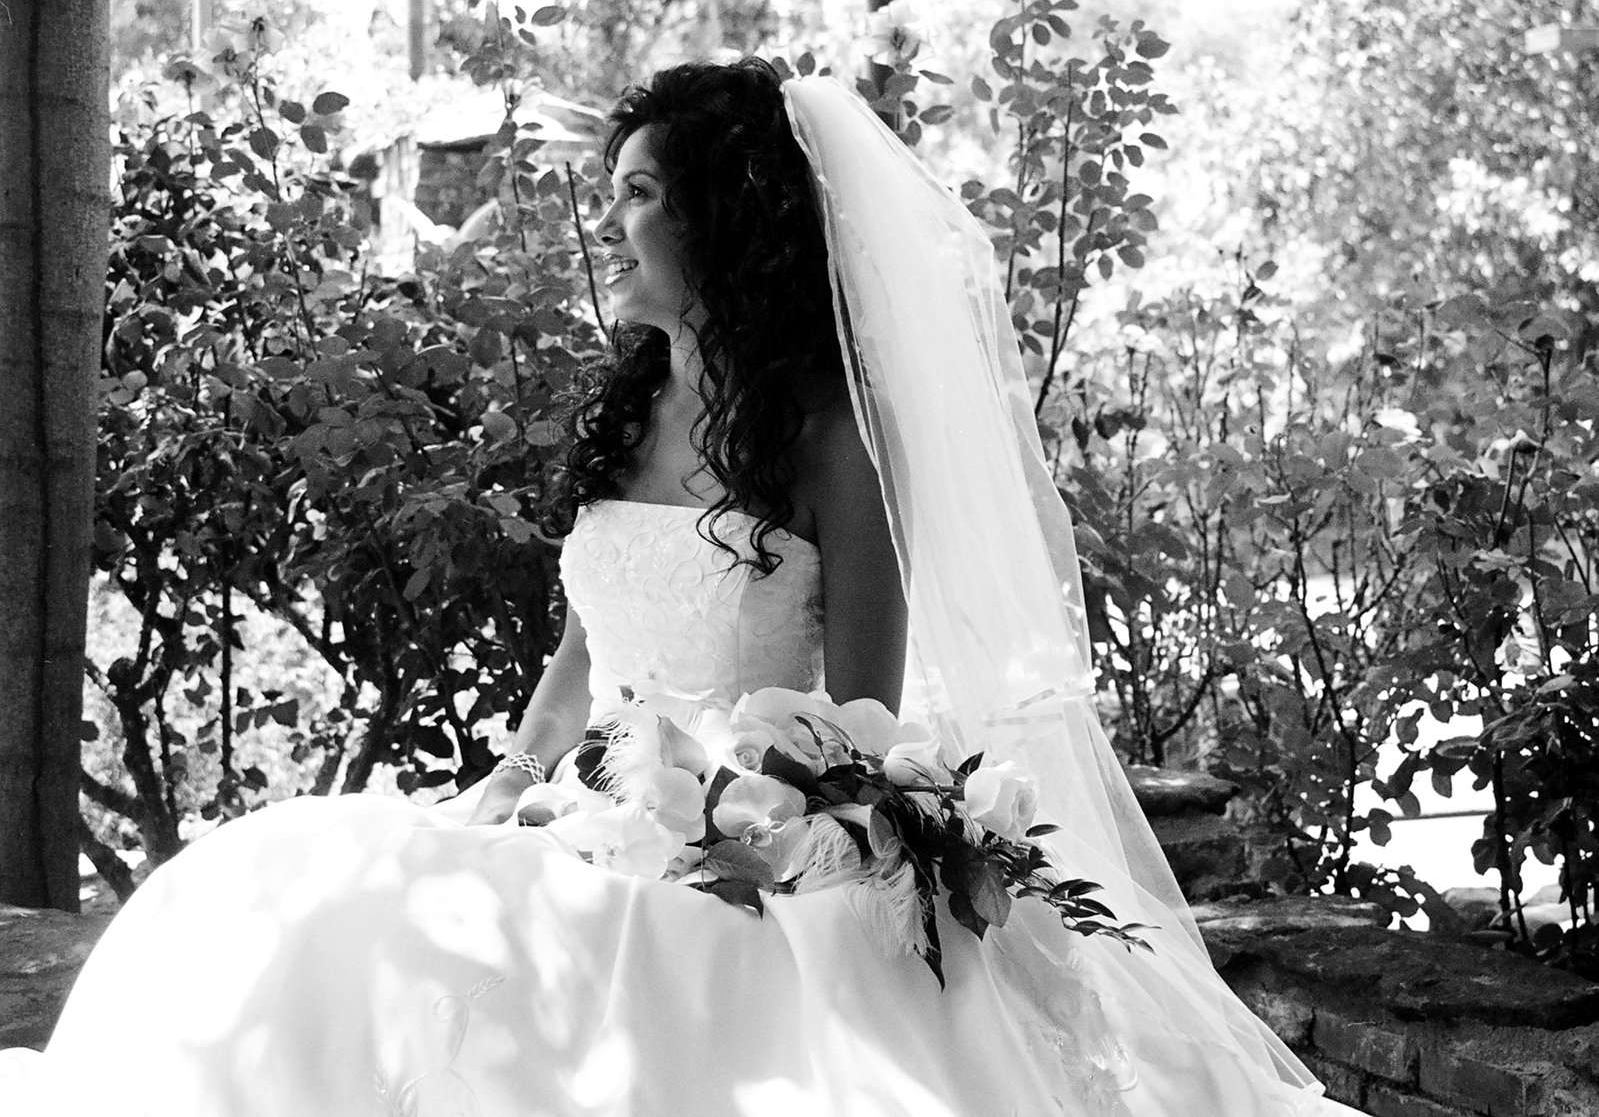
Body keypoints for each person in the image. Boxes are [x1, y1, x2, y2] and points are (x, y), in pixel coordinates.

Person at [0, 58, 1362, 1117]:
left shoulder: (830, 437)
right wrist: (513, 778)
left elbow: (862, 711)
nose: (618, 224)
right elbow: (582, 656)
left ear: (729, 219)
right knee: (292, 885)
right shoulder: (630, 400)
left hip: (744, 835)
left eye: (644, 194)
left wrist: (739, 820)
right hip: (578, 797)